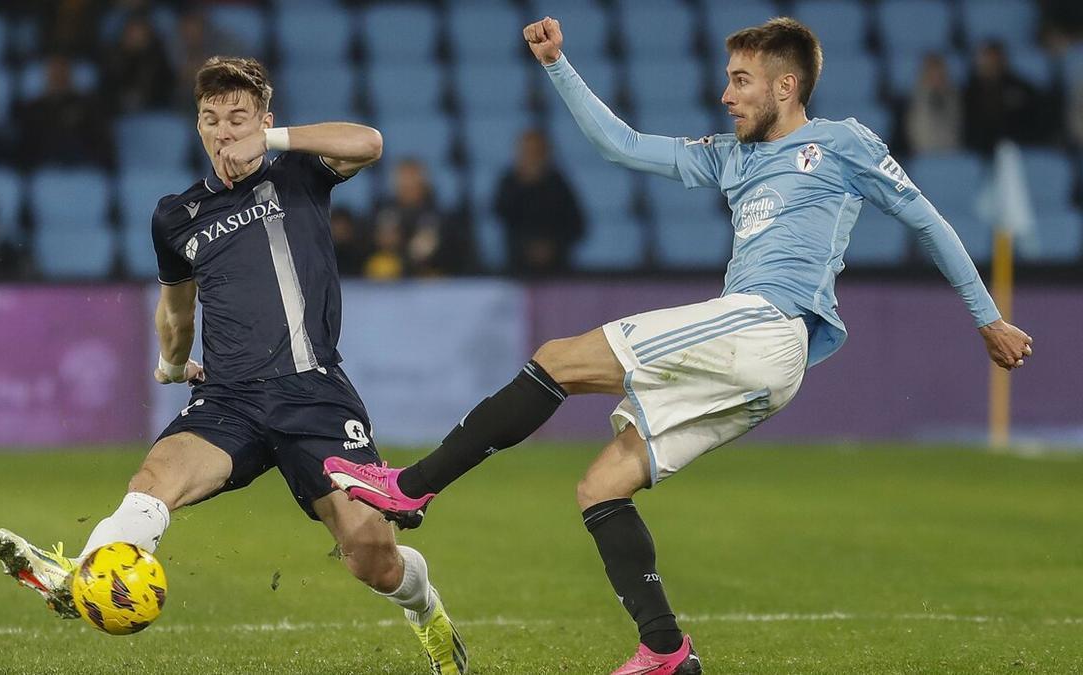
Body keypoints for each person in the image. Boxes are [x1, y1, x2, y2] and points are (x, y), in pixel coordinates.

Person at [324, 17, 1034, 675]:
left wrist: (988, 316)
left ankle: (411, 487)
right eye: (727, 78)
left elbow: (927, 218)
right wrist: (557, 64)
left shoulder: (842, 143)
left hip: (767, 322)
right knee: (601, 487)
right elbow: (622, 145)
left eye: (742, 80)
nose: (725, 94)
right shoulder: (731, 158)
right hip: (756, 358)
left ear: (787, 86)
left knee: (557, 358)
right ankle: (666, 649)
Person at [0, 56, 467, 675]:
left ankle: (424, 607)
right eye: (212, 119)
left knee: (371, 558)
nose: (225, 130)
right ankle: (80, 577)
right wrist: (169, 365)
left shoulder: (298, 172)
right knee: (152, 484)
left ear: (265, 120)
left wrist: (268, 141)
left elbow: (369, 143)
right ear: (197, 126)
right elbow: (176, 313)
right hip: (230, 400)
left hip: (313, 394)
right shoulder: (176, 215)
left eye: (239, 117)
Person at [494, 129, 584, 276]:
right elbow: (501, 214)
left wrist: (552, 247)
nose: (532, 157)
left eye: (536, 152)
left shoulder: (558, 184)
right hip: (517, 267)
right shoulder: (509, 182)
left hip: (557, 268)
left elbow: (577, 225)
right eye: (527, 151)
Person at [904, 53, 962, 154]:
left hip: (951, 153)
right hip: (921, 153)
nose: (936, 78)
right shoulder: (913, 100)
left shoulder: (955, 99)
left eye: (939, 74)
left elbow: (957, 129)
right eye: (932, 74)